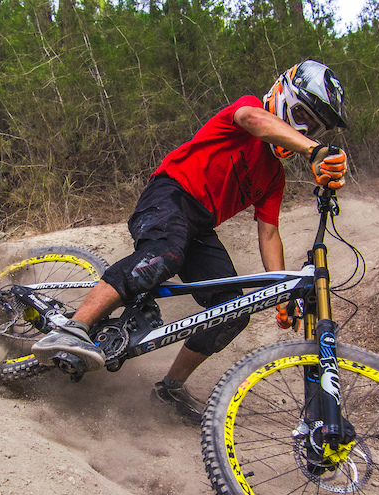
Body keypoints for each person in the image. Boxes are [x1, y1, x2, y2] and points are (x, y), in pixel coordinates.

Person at [32, 59, 349, 422]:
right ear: (280, 95)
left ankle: (169, 389)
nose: (304, 127)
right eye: (300, 115)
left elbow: (269, 232)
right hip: (170, 194)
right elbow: (252, 119)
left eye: (313, 125)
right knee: (165, 252)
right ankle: (76, 327)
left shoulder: (273, 177)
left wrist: (281, 291)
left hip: (199, 227)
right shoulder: (248, 112)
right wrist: (313, 150)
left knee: (232, 310)